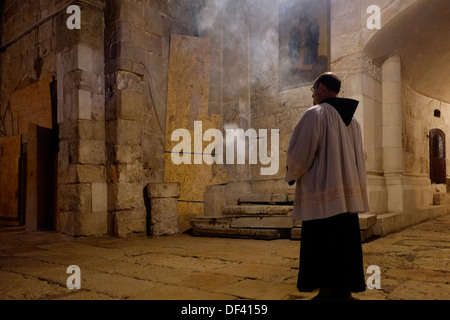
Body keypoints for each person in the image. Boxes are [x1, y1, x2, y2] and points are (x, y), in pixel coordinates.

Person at [285, 72, 370, 300]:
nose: (313, 96)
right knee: (345, 245)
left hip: (322, 196)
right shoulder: (353, 121)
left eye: (313, 91)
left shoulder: (315, 114)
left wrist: (292, 173)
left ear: (321, 87)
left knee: (323, 245)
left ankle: (326, 292)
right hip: (346, 198)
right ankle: (346, 293)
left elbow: (300, 153)